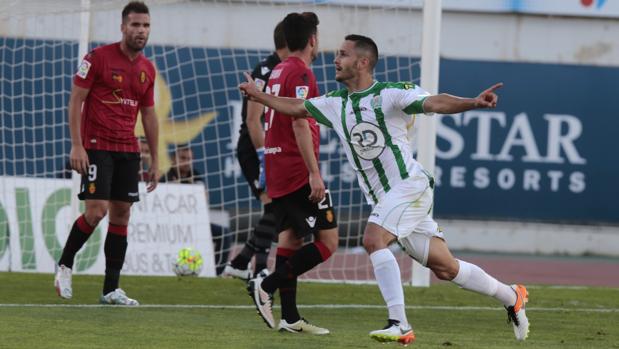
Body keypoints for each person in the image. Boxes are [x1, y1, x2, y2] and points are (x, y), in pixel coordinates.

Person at [239, 34, 529, 344]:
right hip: (388, 199)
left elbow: (435, 101)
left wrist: (472, 102)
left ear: (362, 62)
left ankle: (399, 324)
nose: (335, 59)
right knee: (445, 268)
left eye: (343, 54)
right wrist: (259, 97)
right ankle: (511, 296)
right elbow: (297, 108)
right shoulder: (335, 103)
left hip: (409, 186)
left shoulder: (391, 94)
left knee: (373, 238)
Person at [54, 1, 159, 306]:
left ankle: (111, 289)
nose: (141, 31)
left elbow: (149, 115)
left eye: (146, 26)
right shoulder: (97, 58)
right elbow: (76, 101)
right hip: (97, 145)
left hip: (128, 148)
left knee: (122, 214)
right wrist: (77, 144)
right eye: (136, 25)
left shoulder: (147, 69)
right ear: (123, 26)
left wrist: (155, 157)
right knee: (97, 210)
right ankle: (65, 265)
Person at [246, 12, 338, 335]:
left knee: (291, 238)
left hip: (277, 165)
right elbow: (299, 121)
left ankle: (290, 316)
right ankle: (265, 285)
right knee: (328, 241)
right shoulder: (300, 73)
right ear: (313, 39)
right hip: (297, 169)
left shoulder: (278, 70)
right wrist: (314, 173)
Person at [222, 21, 289, 280]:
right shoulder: (265, 70)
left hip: (270, 150)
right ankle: (251, 266)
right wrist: (263, 157)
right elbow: (253, 120)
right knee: (273, 208)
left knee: (274, 208)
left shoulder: (282, 69)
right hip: (255, 149)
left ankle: (246, 264)